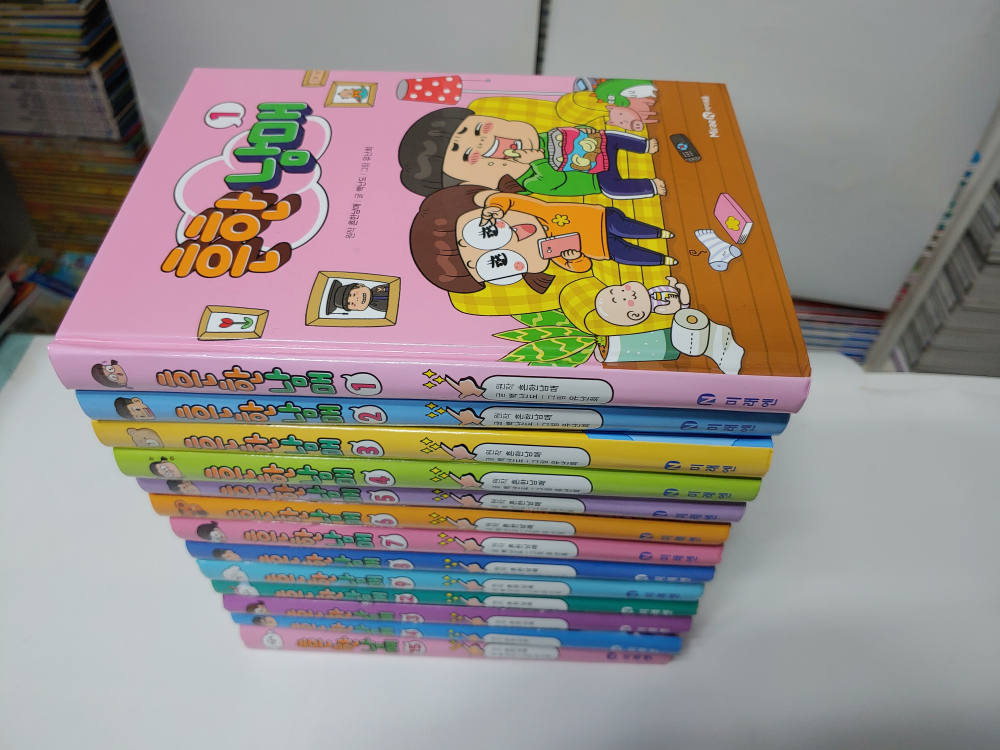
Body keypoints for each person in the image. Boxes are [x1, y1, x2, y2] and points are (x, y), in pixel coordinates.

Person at [398, 107, 665, 199]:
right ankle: (650, 186)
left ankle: (644, 146)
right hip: (596, 177)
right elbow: (555, 182)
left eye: (479, 128)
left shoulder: (538, 138)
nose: (481, 142)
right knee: (612, 188)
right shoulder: (528, 181)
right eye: (468, 156)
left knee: (611, 138)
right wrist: (537, 162)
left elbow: (567, 134)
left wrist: (577, 135)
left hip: (596, 145)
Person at [594, 279, 691, 326]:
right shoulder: (657, 308)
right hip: (680, 303)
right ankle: (684, 294)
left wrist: (671, 286)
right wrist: (673, 302)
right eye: (625, 299)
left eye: (623, 290)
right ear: (635, 314)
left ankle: (673, 286)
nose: (631, 293)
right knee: (683, 295)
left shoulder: (649, 292)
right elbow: (673, 308)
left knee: (674, 287)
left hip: (671, 290)